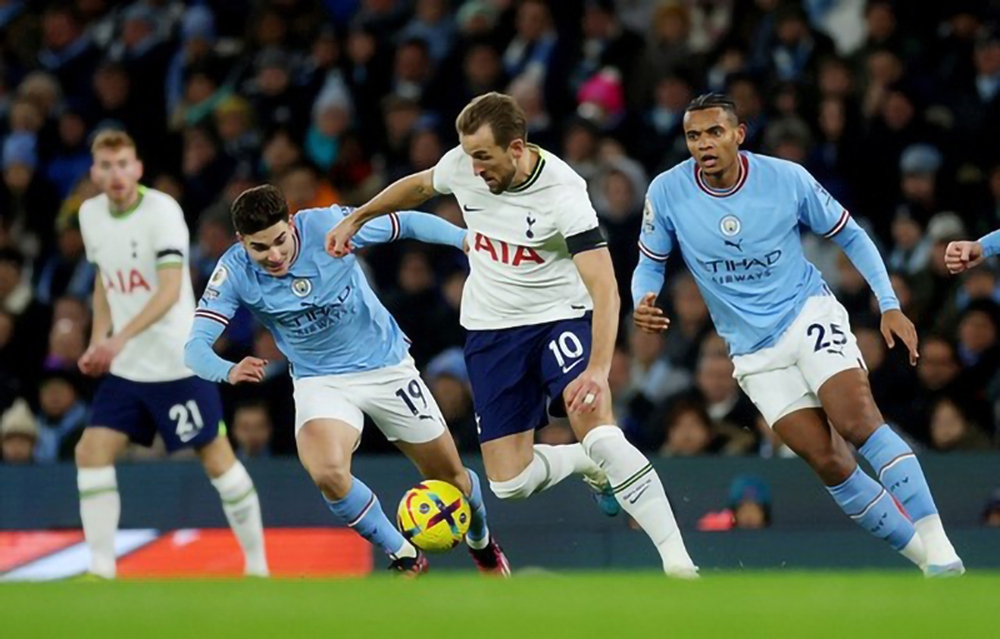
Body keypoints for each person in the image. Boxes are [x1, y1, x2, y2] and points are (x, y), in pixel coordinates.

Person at [327, 92, 697, 577]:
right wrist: (357, 217)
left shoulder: (564, 193)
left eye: (484, 157)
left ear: (517, 148)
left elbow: (605, 288)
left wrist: (599, 370)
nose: (474, 168)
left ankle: (678, 564)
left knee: (598, 427)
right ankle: (585, 465)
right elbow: (418, 187)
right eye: (469, 156)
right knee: (510, 483)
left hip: (557, 319)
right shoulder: (464, 164)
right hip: (492, 330)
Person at [631, 93, 964, 577]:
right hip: (751, 352)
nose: (704, 144)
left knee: (857, 422)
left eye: (714, 132)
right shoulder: (666, 191)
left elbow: (850, 234)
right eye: (694, 136)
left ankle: (942, 546)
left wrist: (889, 305)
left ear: (739, 134)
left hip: (807, 314)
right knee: (827, 460)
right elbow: (649, 264)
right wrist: (645, 299)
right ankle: (928, 563)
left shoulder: (786, 178)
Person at [184, 184, 507, 576]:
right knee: (327, 471)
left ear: (291, 223)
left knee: (451, 478)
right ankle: (404, 556)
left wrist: (461, 239)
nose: (273, 255)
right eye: (259, 248)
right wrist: (227, 369)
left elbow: (403, 222)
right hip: (321, 381)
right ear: (241, 242)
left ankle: (483, 543)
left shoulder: (328, 225)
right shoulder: (233, 270)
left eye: (280, 242)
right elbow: (195, 348)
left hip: (386, 367)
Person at [75, 130, 268, 579]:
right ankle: (101, 571)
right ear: (94, 173)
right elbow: (105, 279)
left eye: (123, 163)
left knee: (216, 458)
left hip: (176, 361)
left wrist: (116, 339)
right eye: (106, 165)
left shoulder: (162, 211)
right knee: (91, 451)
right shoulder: (90, 215)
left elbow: (167, 291)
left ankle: (259, 568)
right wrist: (98, 337)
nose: (116, 174)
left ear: (138, 168)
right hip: (126, 367)